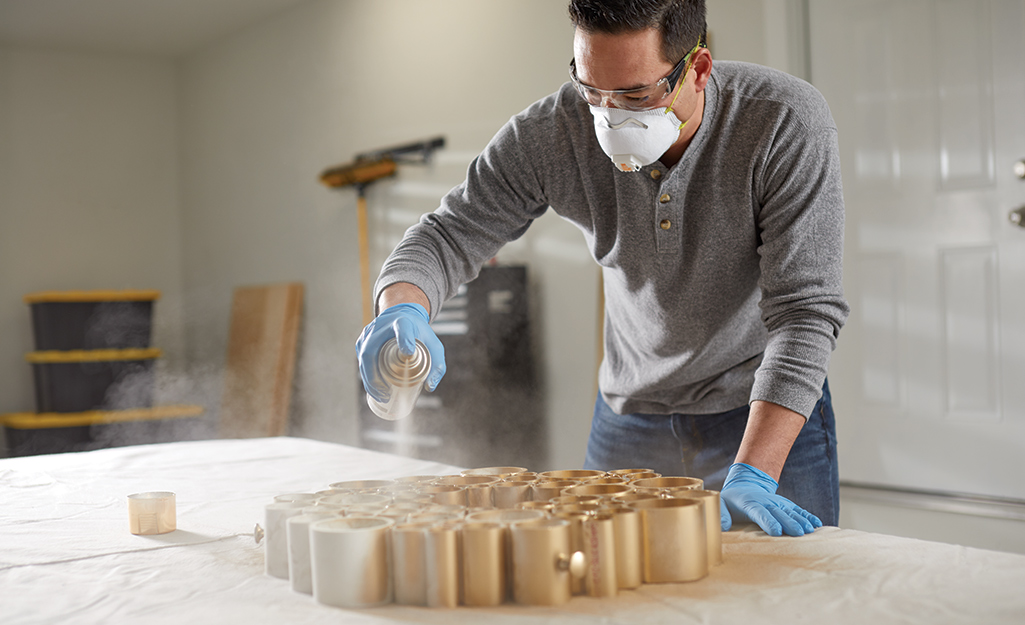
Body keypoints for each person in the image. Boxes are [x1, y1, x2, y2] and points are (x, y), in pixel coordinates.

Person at [356, 0, 848, 537]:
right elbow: (447, 234)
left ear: (698, 69)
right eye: (591, 89)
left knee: (785, 594)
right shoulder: (551, 133)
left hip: (759, 412)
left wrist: (755, 471)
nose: (610, 115)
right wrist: (401, 306)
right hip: (630, 415)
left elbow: (804, 313)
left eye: (635, 94)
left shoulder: (782, 120)